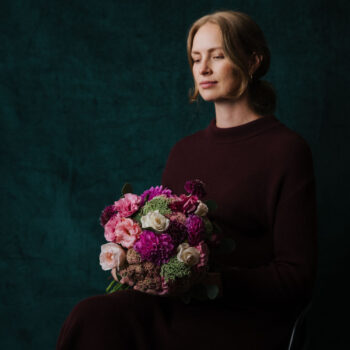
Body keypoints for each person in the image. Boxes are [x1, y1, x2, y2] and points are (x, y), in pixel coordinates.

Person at [56, 10, 317, 350]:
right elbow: (171, 243)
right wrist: (140, 265)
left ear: (252, 61)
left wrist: (212, 281)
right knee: (92, 316)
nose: (203, 69)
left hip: (244, 318)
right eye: (196, 59)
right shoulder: (184, 151)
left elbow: (297, 277)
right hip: (181, 308)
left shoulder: (287, 150)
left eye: (217, 56)